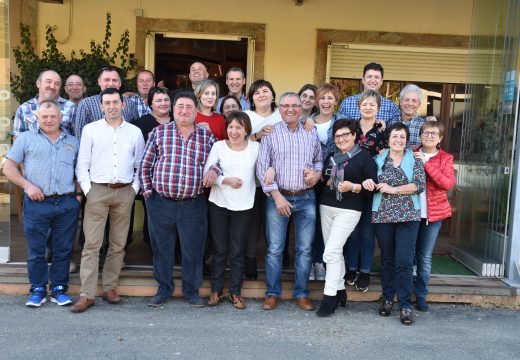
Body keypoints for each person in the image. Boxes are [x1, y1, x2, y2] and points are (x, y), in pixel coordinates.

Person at [139, 91, 219, 308]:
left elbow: (219, 161)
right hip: (161, 203)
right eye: (180, 107)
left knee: (193, 250)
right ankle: (164, 289)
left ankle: (191, 291)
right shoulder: (159, 133)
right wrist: (148, 195)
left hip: (193, 204)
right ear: (173, 109)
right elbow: (145, 165)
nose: (184, 111)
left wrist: (214, 169)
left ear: (196, 111)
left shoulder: (207, 137)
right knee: (162, 249)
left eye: (189, 107)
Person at [71, 88, 145, 313]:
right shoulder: (90, 130)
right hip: (97, 192)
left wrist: (133, 189)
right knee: (92, 245)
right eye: (107, 103)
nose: (112, 106)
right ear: (101, 106)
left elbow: (140, 165)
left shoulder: (134, 132)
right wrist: (88, 190)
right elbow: (82, 163)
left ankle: (110, 287)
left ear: (123, 104)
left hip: (124, 192)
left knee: (118, 244)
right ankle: (87, 293)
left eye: (115, 102)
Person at [3, 100, 81, 307]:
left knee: (63, 249)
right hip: (37, 204)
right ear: (37, 118)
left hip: (66, 203)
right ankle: (37, 289)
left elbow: (81, 170)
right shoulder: (26, 140)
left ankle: (58, 289)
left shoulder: (73, 142)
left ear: (60, 117)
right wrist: (27, 186)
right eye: (44, 116)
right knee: (37, 250)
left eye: (53, 116)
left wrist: (79, 195)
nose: (49, 120)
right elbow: (8, 168)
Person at [256, 92, 322, 311]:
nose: (291, 109)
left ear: (301, 107)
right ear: (279, 108)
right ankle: (272, 293)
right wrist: (276, 196)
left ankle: (301, 294)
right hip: (278, 197)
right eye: (286, 106)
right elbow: (262, 169)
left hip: (306, 196)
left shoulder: (310, 132)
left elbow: (318, 161)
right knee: (275, 249)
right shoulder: (270, 133)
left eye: (295, 105)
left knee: (304, 249)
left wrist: (316, 174)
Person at [362, 122, 425, 325]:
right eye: (394, 136)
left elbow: (418, 185)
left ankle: (405, 305)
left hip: (408, 216)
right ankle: (388, 298)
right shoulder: (377, 159)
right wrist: (367, 183)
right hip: (383, 216)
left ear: (407, 140)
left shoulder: (414, 159)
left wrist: (393, 189)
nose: (398, 140)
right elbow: (368, 181)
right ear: (388, 139)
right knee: (387, 259)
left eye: (402, 137)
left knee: (405, 261)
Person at [316, 119, 377, 316]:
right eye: (337, 136)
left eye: (345, 135)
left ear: (354, 136)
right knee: (334, 252)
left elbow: (372, 187)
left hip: (349, 209)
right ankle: (341, 291)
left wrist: (353, 186)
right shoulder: (331, 158)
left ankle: (329, 296)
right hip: (326, 206)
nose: (341, 139)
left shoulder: (364, 158)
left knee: (330, 252)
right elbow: (324, 181)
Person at [204, 111, 259, 309]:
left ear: (246, 130)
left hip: (244, 205)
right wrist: (225, 180)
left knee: (237, 251)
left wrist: (270, 171)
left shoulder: (255, 148)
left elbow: (263, 169)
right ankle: (215, 290)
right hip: (219, 203)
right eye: (230, 127)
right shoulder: (219, 146)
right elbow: (208, 171)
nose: (234, 131)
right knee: (219, 250)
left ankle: (235, 293)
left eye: (238, 127)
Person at [345, 90, 386, 292]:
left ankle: (365, 271)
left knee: (367, 233)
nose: (368, 108)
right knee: (352, 231)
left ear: (378, 108)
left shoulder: (383, 132)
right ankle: (351, 268)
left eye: (372, 105)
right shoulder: (350, 128)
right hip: (351, 188)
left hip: (373, 189)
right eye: (364, 104)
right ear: (359, 107)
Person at [413, 122, 456, 311]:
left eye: (434, 133)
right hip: (410, 212)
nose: (429, 136)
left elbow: (446, 184)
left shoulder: (445, 158)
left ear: (440, 138)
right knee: (407, 254)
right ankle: (405, 290)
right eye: (426, 132)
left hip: (433, 216)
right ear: (420, 135)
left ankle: (421, 294)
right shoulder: (410, 153)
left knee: (424, 256)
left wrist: (427, 164)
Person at [131, 87, 173, 248]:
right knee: (154, 216)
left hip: (172, 178)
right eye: (158, 100)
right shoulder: (140, 124)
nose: (163, 103)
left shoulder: (177, 121)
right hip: (150, 178)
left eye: (166, 99)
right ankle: (153, 250)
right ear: (150, 103)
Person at [308, 83, 342, 281]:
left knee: (328, 223)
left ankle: (322, 262)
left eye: (330, 98)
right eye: (322, 98)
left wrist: (328, 174)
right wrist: (315, 172)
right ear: (316, 101)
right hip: (310, 180)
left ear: (335, 101)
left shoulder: (342, 122)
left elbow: (345, 152)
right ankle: (310, 263)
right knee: (311, 222)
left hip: (333, 179)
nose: (326, 102)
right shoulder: (307, 121)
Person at [73, 65, 140, 139]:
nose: (111, 84)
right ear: (99, 82)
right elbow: (79, 136)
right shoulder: (86, 104)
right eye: (107, 80)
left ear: (120, 83)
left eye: (114, 80)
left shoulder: (130, 104)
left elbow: (135, 134)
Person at [13, 69, 76, 138]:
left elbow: (78, 137)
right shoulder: (24, 108)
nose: (52, 86)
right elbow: (18, 139)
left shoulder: (71, 108)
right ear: (38, 83)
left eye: (57, 84)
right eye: (48, 81)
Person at [387, 84, 426, 148]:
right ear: (401, 102)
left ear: (419, 104)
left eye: (414, 101)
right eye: (406, 100)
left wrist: (418, 148)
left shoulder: (424, 125)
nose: (410, 103)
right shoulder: (391, 123)